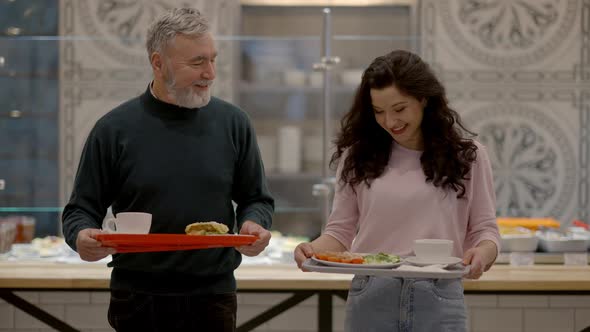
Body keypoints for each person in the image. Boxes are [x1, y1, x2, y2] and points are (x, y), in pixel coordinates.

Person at [62, 8, 274, 332]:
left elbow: (257, 199)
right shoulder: (113, 129)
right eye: (197, 62)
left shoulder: (234, 123)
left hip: (213, 297)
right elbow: (80, 210)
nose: (211, 73)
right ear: (158, 63)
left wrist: (253, 224)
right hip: (137, 297)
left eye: (213, 59)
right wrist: (81, 237)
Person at [294, 50, 500, 332]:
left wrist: (483, 254)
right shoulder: (357, 157)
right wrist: (311, 250)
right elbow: (340, 233)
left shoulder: (469, 157)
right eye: (379, 111)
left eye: (399, 109)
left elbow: (485, 230)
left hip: (439, 297)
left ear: (424, 99)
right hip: (371, 296)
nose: (390, 121)